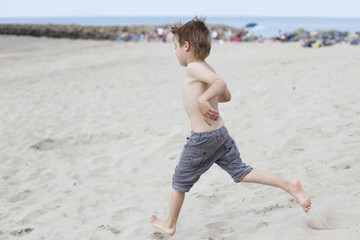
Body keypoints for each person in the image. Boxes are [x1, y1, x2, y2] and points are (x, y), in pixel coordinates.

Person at [150, 17, 311, 236]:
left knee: (179, 181)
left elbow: (221, 86)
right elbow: (226, 95)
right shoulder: (207, 66)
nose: (176, 51)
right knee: (242, 171)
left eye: (175, 47)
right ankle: (289, 185)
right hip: (220, 135)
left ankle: (170, 223)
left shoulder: (194, 67)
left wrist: (202, 100)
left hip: (202, 139)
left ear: (185, 46)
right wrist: (209, 97)